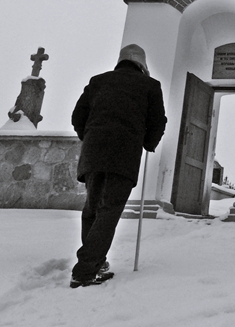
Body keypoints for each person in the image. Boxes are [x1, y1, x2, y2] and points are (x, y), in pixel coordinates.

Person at [69, 44, 167, 288]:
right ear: (142, 65)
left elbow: (77, 117)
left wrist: (90, 136)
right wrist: (148, 143)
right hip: (123, 154)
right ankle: (85, 270)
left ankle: (96, 263)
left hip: (93, 153)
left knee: (91, 209)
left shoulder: (97, 81)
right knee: (109, 211)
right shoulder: (150, 85)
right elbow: (158, 121)